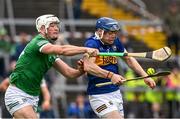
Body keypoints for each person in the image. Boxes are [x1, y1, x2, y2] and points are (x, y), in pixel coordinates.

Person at [4, 14, 98, 118]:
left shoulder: (50, 53)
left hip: (33, 98)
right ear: (42, 28)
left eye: (57, 25)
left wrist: (81, 69)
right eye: (52, 25)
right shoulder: (38, 42)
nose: (56, 28)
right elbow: (62, 50)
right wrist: (85, 49)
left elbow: (70, 73)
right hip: (17, 94)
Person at [83, 17, 156, 118]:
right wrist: (111, 75)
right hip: (99, 95)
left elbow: (128, 59)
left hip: (115, 92)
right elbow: (88, 67)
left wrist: (145, 76)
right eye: (110, 33)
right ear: (100, 31)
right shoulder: (92, 44)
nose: (113, 36)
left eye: (115, 32)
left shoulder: (115, 42)